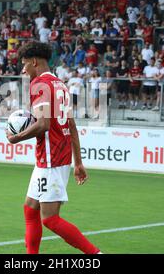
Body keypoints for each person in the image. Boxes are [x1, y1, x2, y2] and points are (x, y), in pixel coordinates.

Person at [6, 42, 101, 255]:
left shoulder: (39, 84)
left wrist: (15, 138)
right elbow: (71, 125)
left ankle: (96, 255)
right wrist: (78, 162)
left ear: (34, 62)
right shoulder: (60, 85)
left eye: (24, 65)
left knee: (50, 219)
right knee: (30, 209)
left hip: (51, 158)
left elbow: (43, 124)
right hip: (54, 157)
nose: (23, 70)